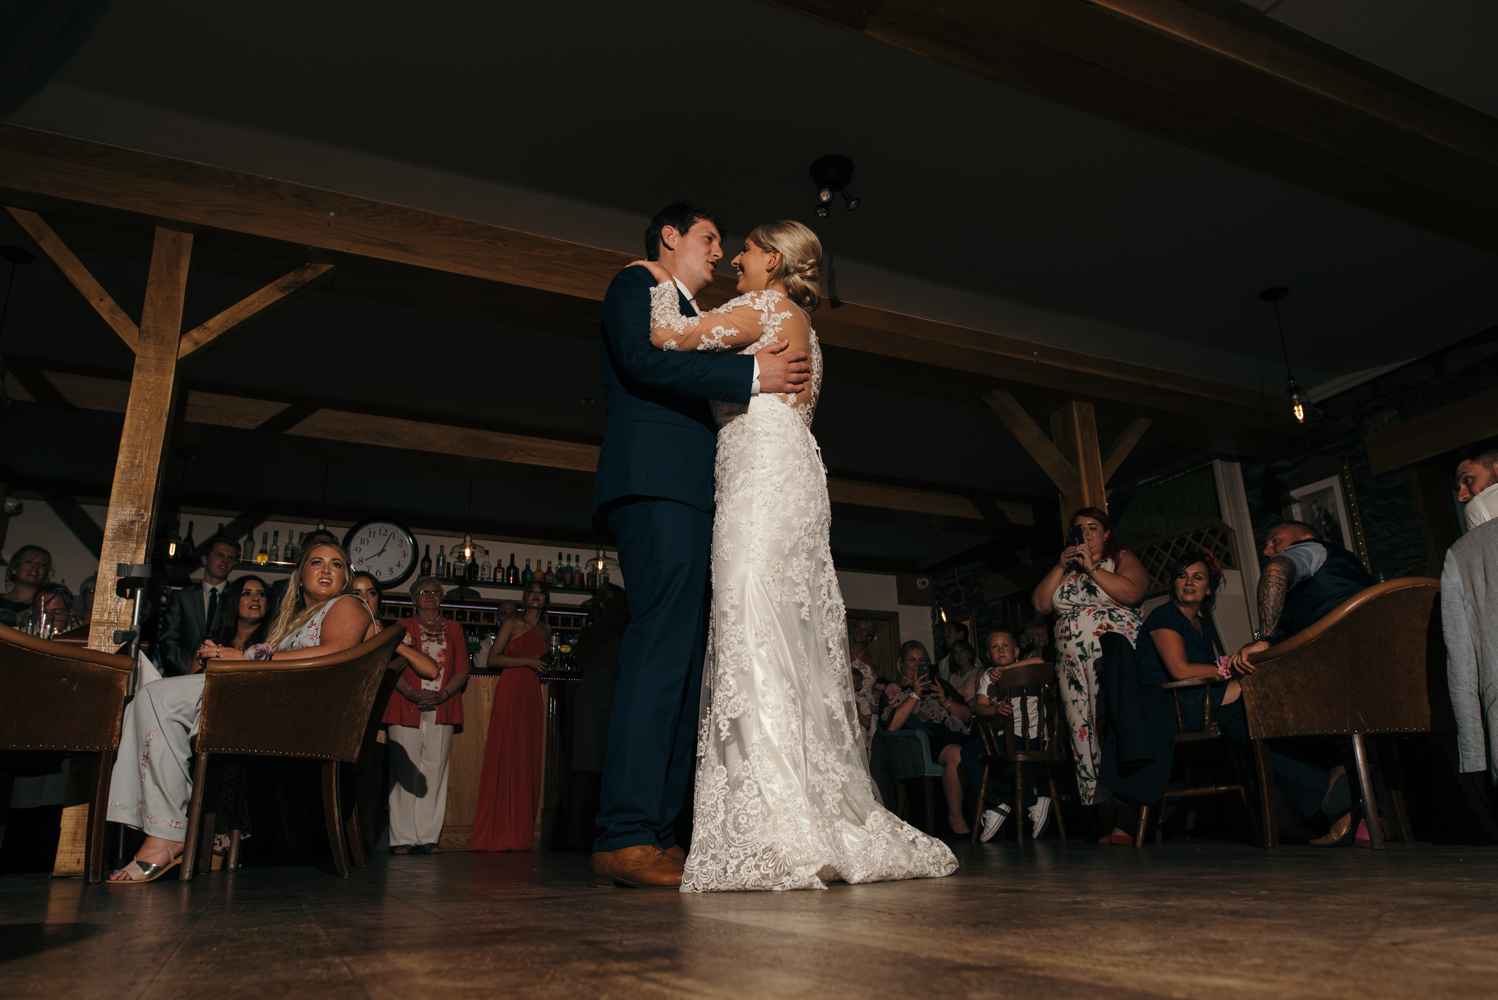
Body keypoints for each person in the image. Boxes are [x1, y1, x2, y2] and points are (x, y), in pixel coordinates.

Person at [634, 219, 956, 891]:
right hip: (789, 476)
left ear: (772, 260)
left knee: (753, 635)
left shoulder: (765, 307)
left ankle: (777, 828)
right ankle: (797, 810)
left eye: (744, 251)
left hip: (761, 483)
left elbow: (666, 336)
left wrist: (661, 274)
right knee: (782, 640)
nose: (734, 262)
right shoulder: (798, 320)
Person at [588, 201, 813, 889]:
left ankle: (660, 834)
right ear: (670, 237)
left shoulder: (689, 309)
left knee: (687, 670)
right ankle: (622, 833)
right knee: (659, 654)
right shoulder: (638, 284)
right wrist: (750, 378)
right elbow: (640, 358)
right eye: (709, 239)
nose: (718, 254)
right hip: (656, 487)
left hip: (700, 499)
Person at [106, 542, 429, 882]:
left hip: (300, 722)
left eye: (336, 565)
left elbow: (335, 654)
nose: (326, 570)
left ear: (345, 579)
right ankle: (166, 828)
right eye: (317, 562)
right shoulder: (292, 621)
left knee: (158, 698)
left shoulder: (348, 604)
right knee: (153, 699)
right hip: (274, 708)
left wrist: (244, 657)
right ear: (300, 576)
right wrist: (228, 656)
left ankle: (168, 832)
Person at [1100, 551, 1240, 844]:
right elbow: (1180, 670)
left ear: (1209, 587)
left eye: (1198, 577)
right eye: (1182, 576)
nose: (1189, 582)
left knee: (1249, 694)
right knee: (1251, 686)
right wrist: (1228, 667)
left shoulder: (1199, 622)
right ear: (1173, 583)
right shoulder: (1165, 616)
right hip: (1165, 706)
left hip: (1190, 697)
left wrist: (1227, 668)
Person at [1032, 507, 1148, 809]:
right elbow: (1042, 604)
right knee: (1080, 730)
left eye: (1093, 527)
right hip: (1071, 666)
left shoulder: (1119, 558)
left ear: (1107, 533)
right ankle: (1098, 807)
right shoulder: (1066, 570)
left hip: (1108, 658)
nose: (1085, 532)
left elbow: (1134, 592)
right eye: (1079, 528)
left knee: (1108, 721)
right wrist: (1061, 564)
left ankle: (1125, 805)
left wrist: (1092, 568)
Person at [383, 574, 466, 855]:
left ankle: (428, 837)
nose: (431, 595)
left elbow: (463, 668)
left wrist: (443, 694)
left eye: (436, 591)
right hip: (406, 701)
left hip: (442, 704)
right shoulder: (400, 627)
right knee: (404, 769)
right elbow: (388, 665)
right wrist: (409, 693)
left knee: (435, 770)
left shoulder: (454, 628)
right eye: (424, 591)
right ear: (413, 598)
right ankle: (402, 838)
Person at [1225, 520, 1375, 670]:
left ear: (1306, 538)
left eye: (1275, 540)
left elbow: (1275, 570)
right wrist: (1258, 641)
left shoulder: (1309, 547)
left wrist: (1263, 639)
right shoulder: (1340, 560)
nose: (1266, 551)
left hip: (1339, 646)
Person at [470, 579, 551, 852]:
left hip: (532, 693)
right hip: (512, 688)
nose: (537, 595)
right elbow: (494, 658)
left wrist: (540, 666)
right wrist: (528, 661)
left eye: (541, 592)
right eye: (532, 592)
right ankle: (499, 832)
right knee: (507, 754)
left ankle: (520, 833)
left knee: (527, 758)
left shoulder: (547, 629)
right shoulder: (512, 624)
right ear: (524, 597)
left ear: (546, 599)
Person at [963, 629, 1050, 841]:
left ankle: (996, 806)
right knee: (980, 763)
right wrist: (995, 710)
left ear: (1016, 650)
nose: (1000, 650)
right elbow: (981, 707)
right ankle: (1030, 801)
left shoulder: (1026, 666)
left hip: (1032, 735)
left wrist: (1008, 670)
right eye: (994, 647)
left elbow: (1039, 662)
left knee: (971, 754)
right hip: (1006, 737)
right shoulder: (987, 676)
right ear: (987, 655)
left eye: (1005, 645)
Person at [882, 639, 974, 838]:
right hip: (920, 746)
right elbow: (892, 725)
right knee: (957, 753)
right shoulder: (895, 689)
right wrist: (915, 694)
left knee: (975, 750)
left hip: (955, 738)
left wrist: (945, 701)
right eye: (912, 660)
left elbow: (968, 716)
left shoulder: (941, 685)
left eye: (921, 660)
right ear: (902, 664)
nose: (917, 664)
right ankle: (955, 818)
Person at [1445, 438, 1498, 781]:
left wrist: (1475, 750)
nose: (1464, 494)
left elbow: (1461, 660)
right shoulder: (1465, 554)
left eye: (1468, 480)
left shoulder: (1463, 552)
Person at [569, 583, 629, 850]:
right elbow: (577, 657)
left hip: (620, 703)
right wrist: (596, 643)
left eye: (622, 602)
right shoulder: (590, 631)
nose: (619, 607)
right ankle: (575, 833)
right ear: (602, 605)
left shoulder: (629, 631)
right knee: (589, 767)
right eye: (614, 602)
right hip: (592, 703)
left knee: (615, 768)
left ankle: (607, 829)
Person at [157, 536, 240, 676]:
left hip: (222, 676)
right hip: (183, 676)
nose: (225, 561)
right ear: (204, 559)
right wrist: (194, 669)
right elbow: (168, 642)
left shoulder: (237, 599)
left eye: (231, 558)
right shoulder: (183, 597)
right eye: (219, 555)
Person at [198, 575, 272, 660]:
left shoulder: (274, 642)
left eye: (261, 594)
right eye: (246, 593)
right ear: (233, 601)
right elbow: (194, 673)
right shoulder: (213, 640)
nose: (256, 598)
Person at [1, 544, 51, 627]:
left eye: (42, 564)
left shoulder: (46, 607)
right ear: (14, 568)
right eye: (29, 561)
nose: (35, 566)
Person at [15, 583, 81, 638]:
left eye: (57, 613)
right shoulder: (16, 636)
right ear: (31, 611)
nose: (48, 618)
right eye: (41, 612)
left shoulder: (79, 640)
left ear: (71, 613)